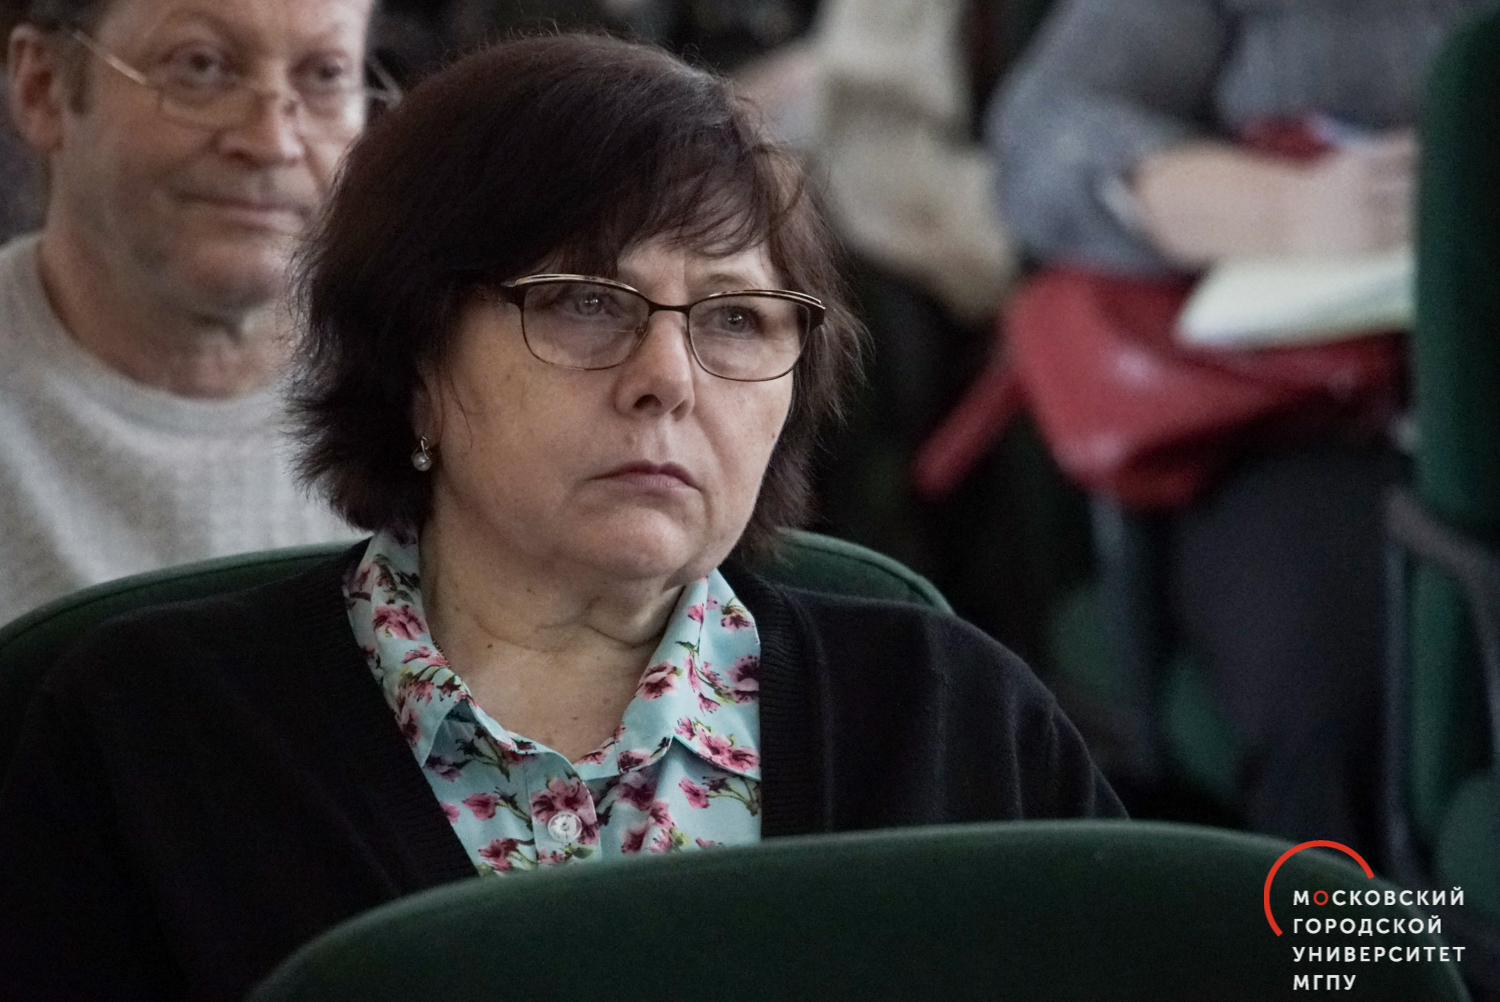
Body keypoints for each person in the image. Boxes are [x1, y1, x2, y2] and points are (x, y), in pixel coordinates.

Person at [0, 32, 1123, 1002]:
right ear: (415, 360)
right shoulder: (143, 742)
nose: (667, 377)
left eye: (736, 319)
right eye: (586, 303)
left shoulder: (953, 720)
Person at [988, 0, 1488, 852]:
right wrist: (1283, 210)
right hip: (1304, 424)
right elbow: (1041, 136)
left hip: (1477, 408)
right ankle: (1355, 942)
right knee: (1345, 691)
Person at [0, 0, 377, 626]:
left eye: (324, 75)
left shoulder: (443, 400)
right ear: (43, 89)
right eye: (200, 66)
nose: (272, 142)